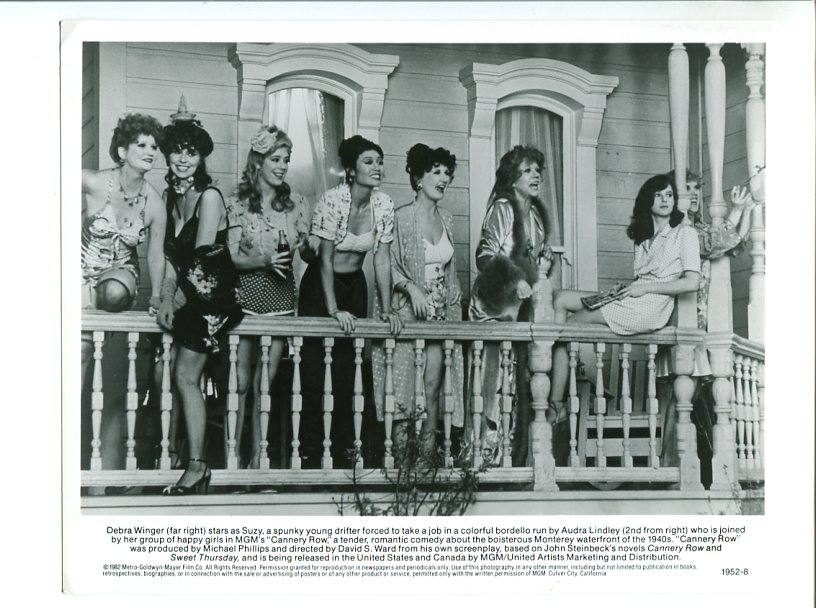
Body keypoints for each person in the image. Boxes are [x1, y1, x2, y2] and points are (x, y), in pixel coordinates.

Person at [548, 174, 702, 429]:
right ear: (647, 200)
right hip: (634, 298)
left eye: (669, 195)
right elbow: (642, 278)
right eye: (658, 195)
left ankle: (556, 402)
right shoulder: (642, 239)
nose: (665, 200)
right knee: (560, 298)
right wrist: (625, 289)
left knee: (572, 325)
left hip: (651, 308)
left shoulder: (684, 234)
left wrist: (645, 288)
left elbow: (692, 282)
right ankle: (558, 371)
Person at [298, 135, 403, 468]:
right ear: (351, 169)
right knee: (314, 373)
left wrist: (387, 309)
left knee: (349, 371)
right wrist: (332, 310)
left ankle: (346, 452)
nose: (377, 167)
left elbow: (382, 260)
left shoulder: (383, 204)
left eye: (379, 161)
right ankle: (310, 453)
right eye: (368, 162)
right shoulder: (333, 200)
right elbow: (325, 259)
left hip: (355, 286)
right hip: (321, 287)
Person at [156, 105, 243, 494]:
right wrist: (165, 297)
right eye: (177, 150)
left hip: (213, 298)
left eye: (191, 152)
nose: (183, 158)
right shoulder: (169, 197)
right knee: (167, 373)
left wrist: (174, 301)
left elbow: (201, 261)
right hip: (188, 296)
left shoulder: (209, 197)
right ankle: (179, 457)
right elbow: (171, 259)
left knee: (184, 375)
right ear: (167, 155)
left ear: (201, 157)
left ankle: (197, 465)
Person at [227, 126, 314, 468]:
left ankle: (257, 462)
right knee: (239, 384)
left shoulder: (297, 205)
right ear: (258, 161)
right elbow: (230, 256)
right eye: (275, 159)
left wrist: (310, 247)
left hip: (279, 302)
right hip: (243, 300)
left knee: (265, 383)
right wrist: (262, 261)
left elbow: (307, 254)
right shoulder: (236, 202)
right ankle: (232, 459)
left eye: (286, 160)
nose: (282, 166)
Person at [660, 170, 755, 479]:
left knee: (694, 396)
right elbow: (714, 243)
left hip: (699, 321)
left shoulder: (699, 225)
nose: (693, 193)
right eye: (686, 188)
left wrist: (745, 210)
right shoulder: (677, 228)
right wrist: (737, 211)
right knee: (680, 397)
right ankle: (674, 466)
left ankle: (692, 467)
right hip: (680, 319)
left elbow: (730, 245)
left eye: (696, 188)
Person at [374, 143, 465, 463]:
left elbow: (449, 268)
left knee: (432, 388)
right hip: (408, 315)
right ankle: (402, 464)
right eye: (435, 172)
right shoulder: (400, 217)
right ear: (417, 178)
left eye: (447, 173)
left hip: (441, 318)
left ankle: (426, 463)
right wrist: (411, 288)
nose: (443, 179)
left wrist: (454, 290)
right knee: (403, 390)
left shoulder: (447, 219)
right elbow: (387, 262)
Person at [469, 145, 555, 466]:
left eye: (537, 170)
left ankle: (508, 460)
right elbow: (484, 256)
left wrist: (543, 262)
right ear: (512, 178)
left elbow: (533, 265)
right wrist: (515, 277)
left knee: (515, 385)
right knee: (491, 384)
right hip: (493, 309)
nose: (536, 176)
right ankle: (481, 461)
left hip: (519, 313)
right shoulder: (503, 208)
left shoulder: (535, 217)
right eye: (527, 170)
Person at [81, 113, 166, 386]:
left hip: (121, 273)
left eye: (154, 146)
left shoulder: (154, 204)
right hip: (80, 269)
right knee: (80, 350)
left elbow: (156, 255)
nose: (150, 152)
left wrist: (156, 296)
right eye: (141, 145)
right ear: (122, 151)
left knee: (113, 293)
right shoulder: (94, 182)